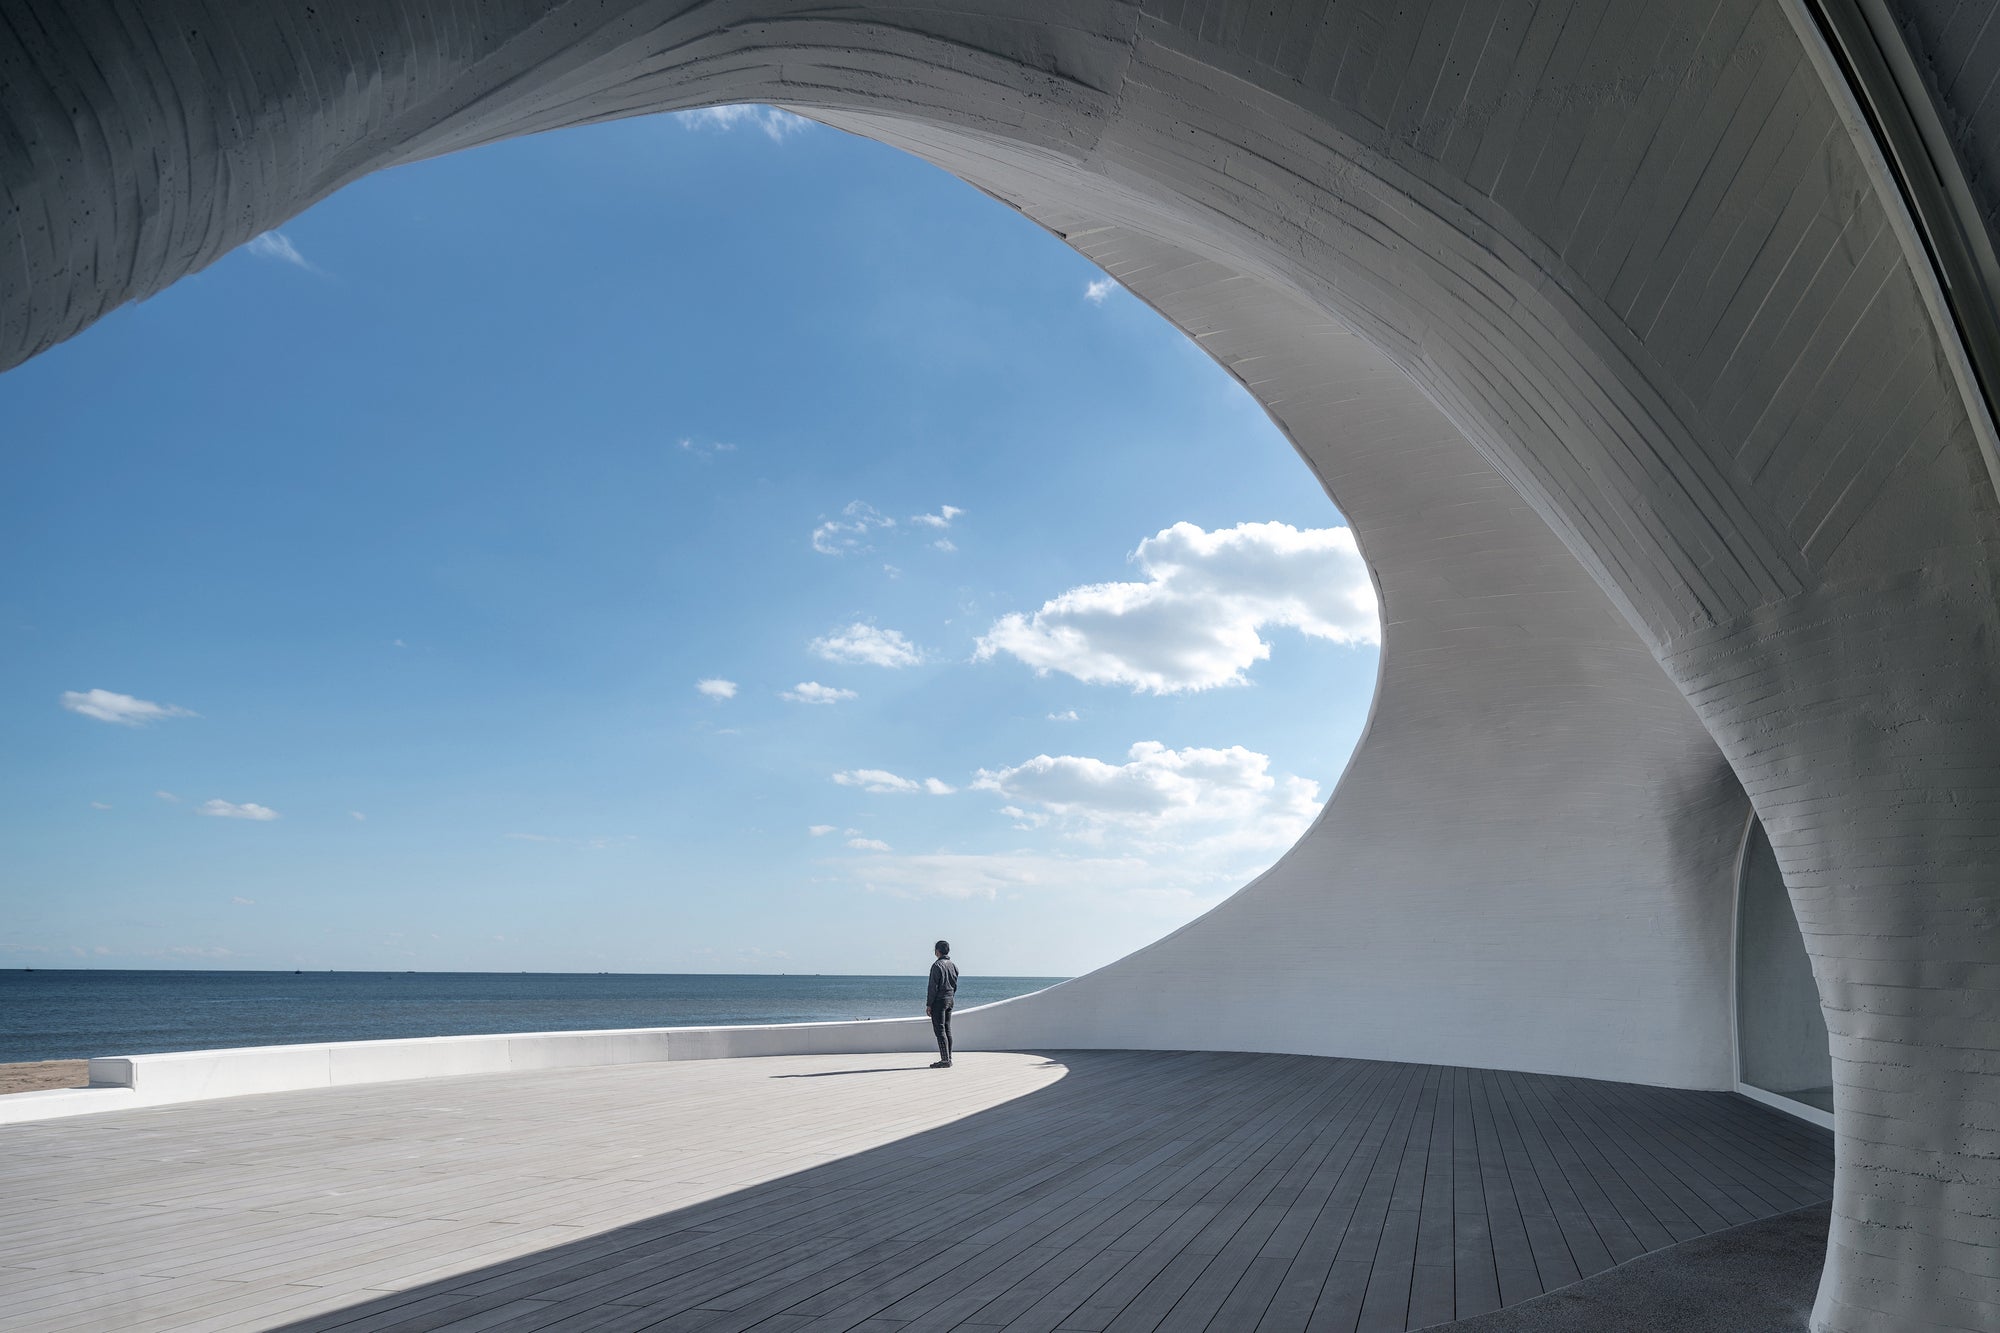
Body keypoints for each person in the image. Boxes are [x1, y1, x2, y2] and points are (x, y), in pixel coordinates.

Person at [925, 939, 959, 1068]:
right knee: (947, 1029)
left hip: (939, 1000)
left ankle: (945, 1060)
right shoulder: (953, 965)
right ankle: (948, 1058)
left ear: (937, 951)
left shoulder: (937, 965)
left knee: (940, 1030)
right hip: (950, 999)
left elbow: (932, 987)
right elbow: (954, 985)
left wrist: (929, 1004)